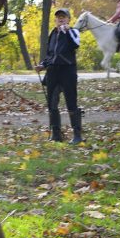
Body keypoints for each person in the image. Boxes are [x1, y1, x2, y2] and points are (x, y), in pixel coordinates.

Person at [36, 9, 83, 144]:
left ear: (68, 19)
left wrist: (67, 31)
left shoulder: (73, 32)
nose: (61, 19)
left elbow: (76, 45)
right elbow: (50, 54)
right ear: (55, 20)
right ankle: (56, 134)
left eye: (63, 17)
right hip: (52, 72)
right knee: (52, 103)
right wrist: (42, 65)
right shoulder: (52, 33)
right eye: (58, 17)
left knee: (71, 102)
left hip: (68, 71)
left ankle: (77, 135)